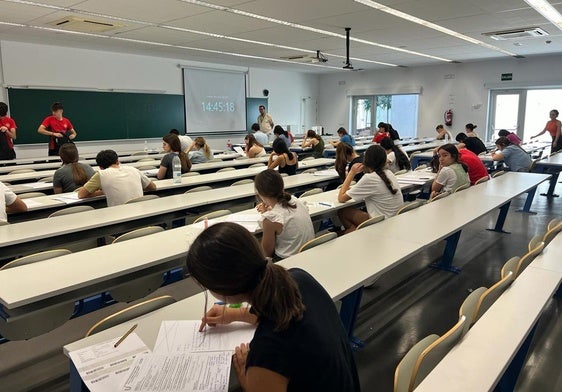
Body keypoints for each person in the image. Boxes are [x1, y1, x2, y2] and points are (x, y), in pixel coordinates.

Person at [186, 223, 360, 391]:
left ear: (219, 289)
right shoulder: (297, 278)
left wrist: (245, 376)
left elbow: (275, 334)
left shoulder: (266, 351)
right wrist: (235, 314)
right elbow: (277, 310)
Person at [337, 145, 404, 234]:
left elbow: (341, 198)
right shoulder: (389, 173)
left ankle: (353, 232)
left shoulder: (369, 178)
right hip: (394, 219)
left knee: (343, 211)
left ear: (366, 161)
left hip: (382, 224)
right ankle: (355, 231)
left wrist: (351, 173)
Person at [254, 169, 314, 259]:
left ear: (260, 194)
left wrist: (269, 214)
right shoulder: (297, 201)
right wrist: (269, 212)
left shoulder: (270, 219)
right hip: (309, 252)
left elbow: (266, 254)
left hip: (288, 260)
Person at [78, 149, 156, 206]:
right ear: (117, 161)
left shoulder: (101, 174)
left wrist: (102, 192)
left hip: (119, 214)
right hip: (141, 210)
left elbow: (81, 195)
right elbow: (153, 187)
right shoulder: (133, 169)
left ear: (100, 167)